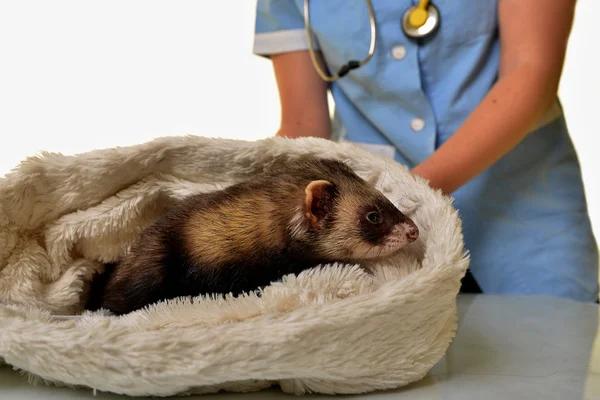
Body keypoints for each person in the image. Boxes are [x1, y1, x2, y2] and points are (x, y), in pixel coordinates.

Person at [252, 0, 599, 302]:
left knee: (546, 366)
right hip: (380, 241)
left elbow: (531, 73)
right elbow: (303, 127)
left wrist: (397, 200)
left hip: (522, 224)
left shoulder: (388, 208)